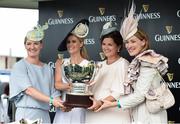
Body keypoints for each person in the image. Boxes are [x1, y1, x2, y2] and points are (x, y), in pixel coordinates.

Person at [96, 2, 169, 124]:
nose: (129, 46)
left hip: (151, 117)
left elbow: (139, 96)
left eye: (133, 41)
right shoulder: (138, 62)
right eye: (127, 42)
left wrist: (114, 104)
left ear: (143, 42)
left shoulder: (148, 62)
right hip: (139, 115)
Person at [9, 23, 64, 123]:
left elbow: (54, 93)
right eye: (29, 43)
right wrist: (52, 100)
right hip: (27, 114)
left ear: (41, 45)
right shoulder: (19, 66)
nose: (32, 47)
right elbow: (29, 90)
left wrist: (63, 104)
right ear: (25, 45)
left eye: (36, 43)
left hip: (45, 116)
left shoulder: (48, 69)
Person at [85, 21, 131, 124]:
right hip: (94, 113)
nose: (106, 47)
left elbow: (119, 92)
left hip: (113, 115)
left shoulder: (123, 64)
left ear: (118, 47)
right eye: (104, 44)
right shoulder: (99, 65)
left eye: (110, 44)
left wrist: (100, 103)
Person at [53, 19, 90, 124]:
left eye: (74, 41)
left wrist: (74, 86)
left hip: (80, 109)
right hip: (64, 106)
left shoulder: (89, 65)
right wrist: (74, 85)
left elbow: (89, 88)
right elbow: (58, 84)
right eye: (68, 42)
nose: (70, 44)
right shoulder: (60, 62)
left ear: (81, 43)